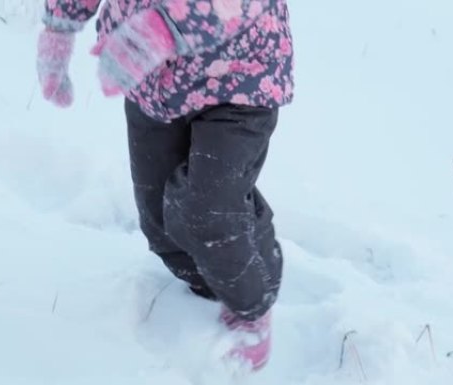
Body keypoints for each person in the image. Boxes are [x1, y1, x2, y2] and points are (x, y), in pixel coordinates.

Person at [36, 0, 294, 370]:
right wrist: (58, 28)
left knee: (209, 210)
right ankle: (209, 285)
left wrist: (161, 27)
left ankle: (252, 301)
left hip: (239, 77)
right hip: (152, 81)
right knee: (160, 223)